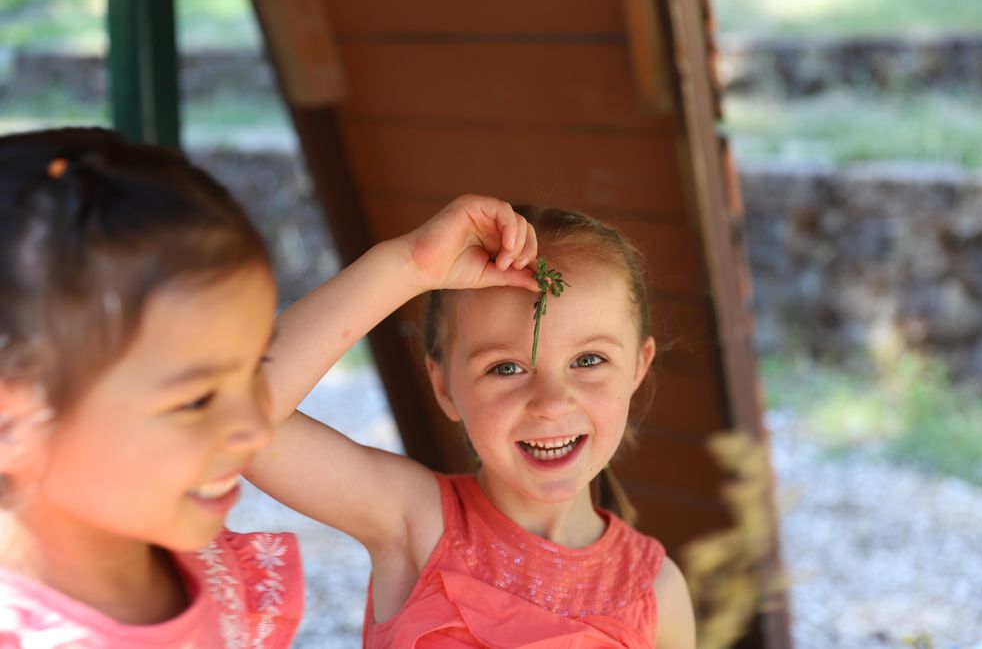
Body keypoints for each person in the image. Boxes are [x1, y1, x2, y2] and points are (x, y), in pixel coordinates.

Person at [0, 127, 538, 648]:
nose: (255, 426)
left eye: (251, 371)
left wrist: (411, 266)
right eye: (196, 399)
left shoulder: (177, 564)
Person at [252, 205, 697, 647]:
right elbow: (239, 416)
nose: (551, 403)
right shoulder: (414, 523)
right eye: (506, 368)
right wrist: (411, 265)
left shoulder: (657, 592)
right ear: (444, 387)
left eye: (588, 360)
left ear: (638, 368)